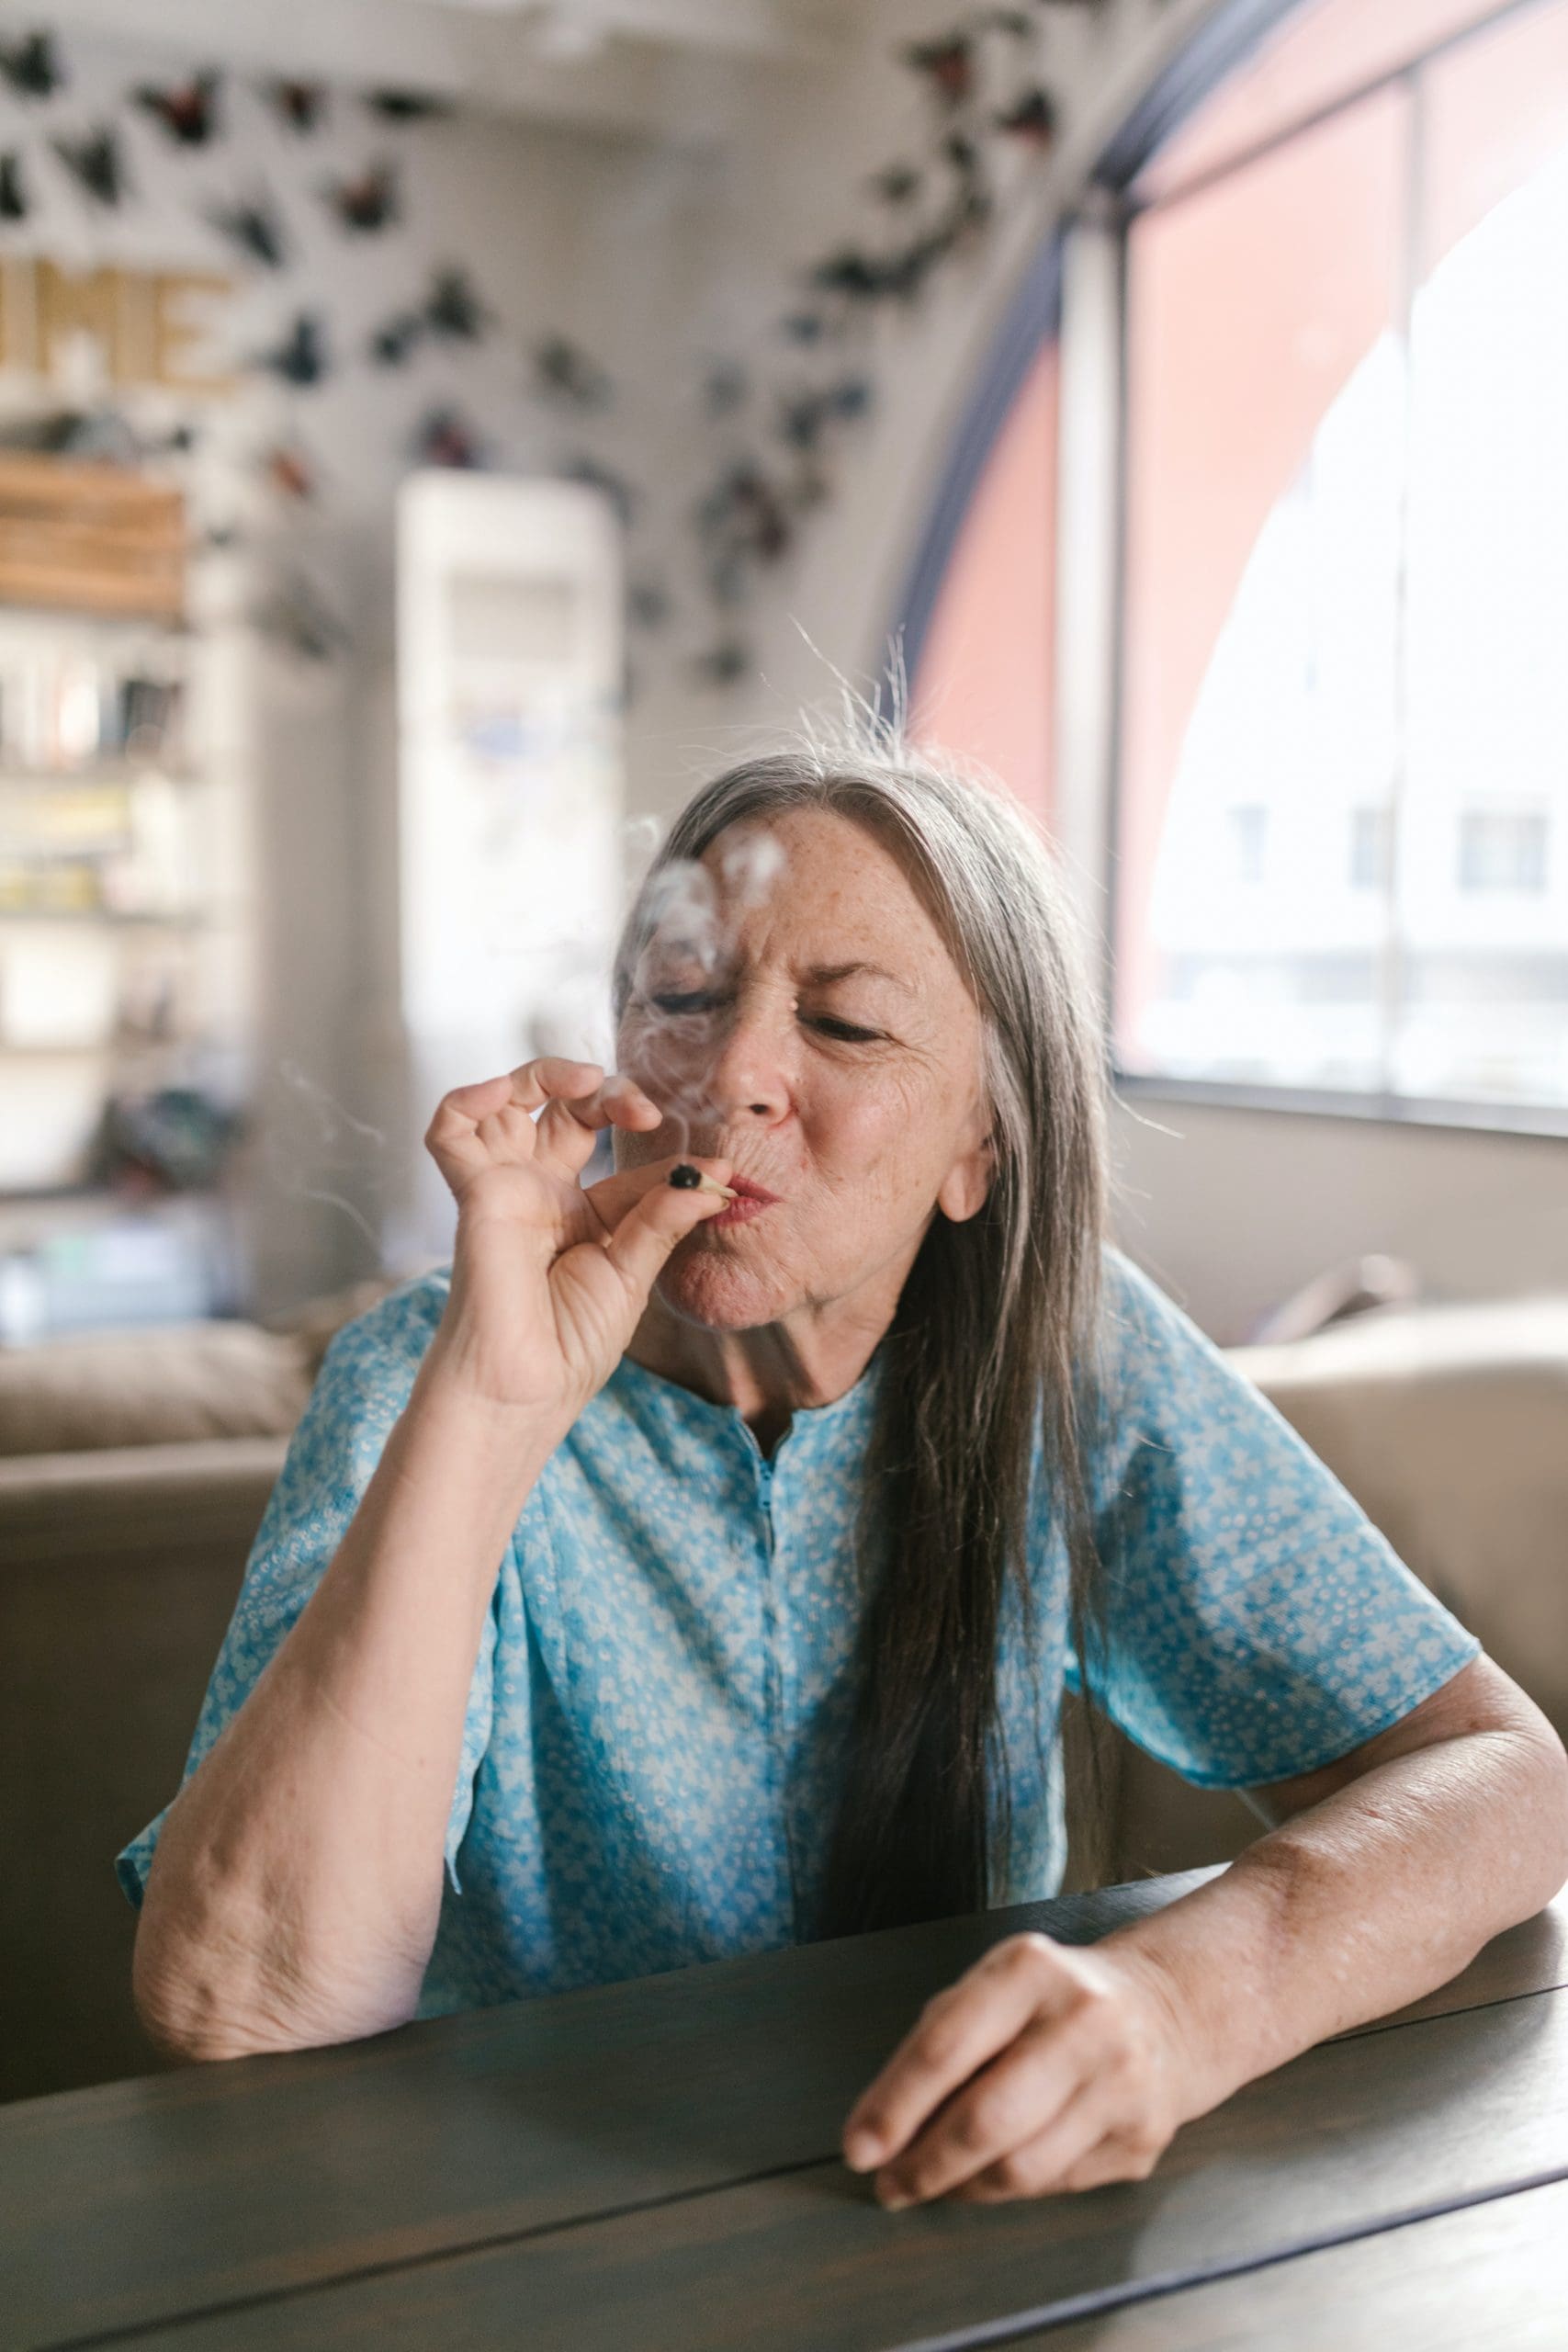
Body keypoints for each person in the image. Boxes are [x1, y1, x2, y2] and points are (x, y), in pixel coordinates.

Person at [120, 734, 1568, 2210]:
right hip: (504, 2249)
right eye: (684, 998)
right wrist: (493, 1405)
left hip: (941, 2218)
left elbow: (1504, 1782)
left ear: (977, 1154)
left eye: (851, 1028)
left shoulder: (1066, 1354)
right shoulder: (422, 1376)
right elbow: (242, 2010)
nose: (735, 1071)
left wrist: (1184, 2005)